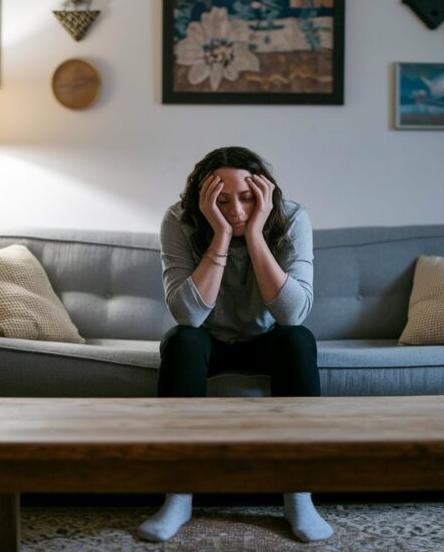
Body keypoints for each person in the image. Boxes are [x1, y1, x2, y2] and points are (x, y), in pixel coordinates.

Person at [138, 146, 332, 543]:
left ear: (264, 194)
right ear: (203, 200)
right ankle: (178, 494)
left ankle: (299, 494)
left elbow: (293, 313)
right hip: (207, 339)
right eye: (222, 201)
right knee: (181, 340)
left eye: (246, 198)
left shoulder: (293, 218)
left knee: (298, 339)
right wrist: (221, 234)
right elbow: (189, 315)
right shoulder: (180, 221)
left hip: (267, 339)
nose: (237, 211)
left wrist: (256, 234)